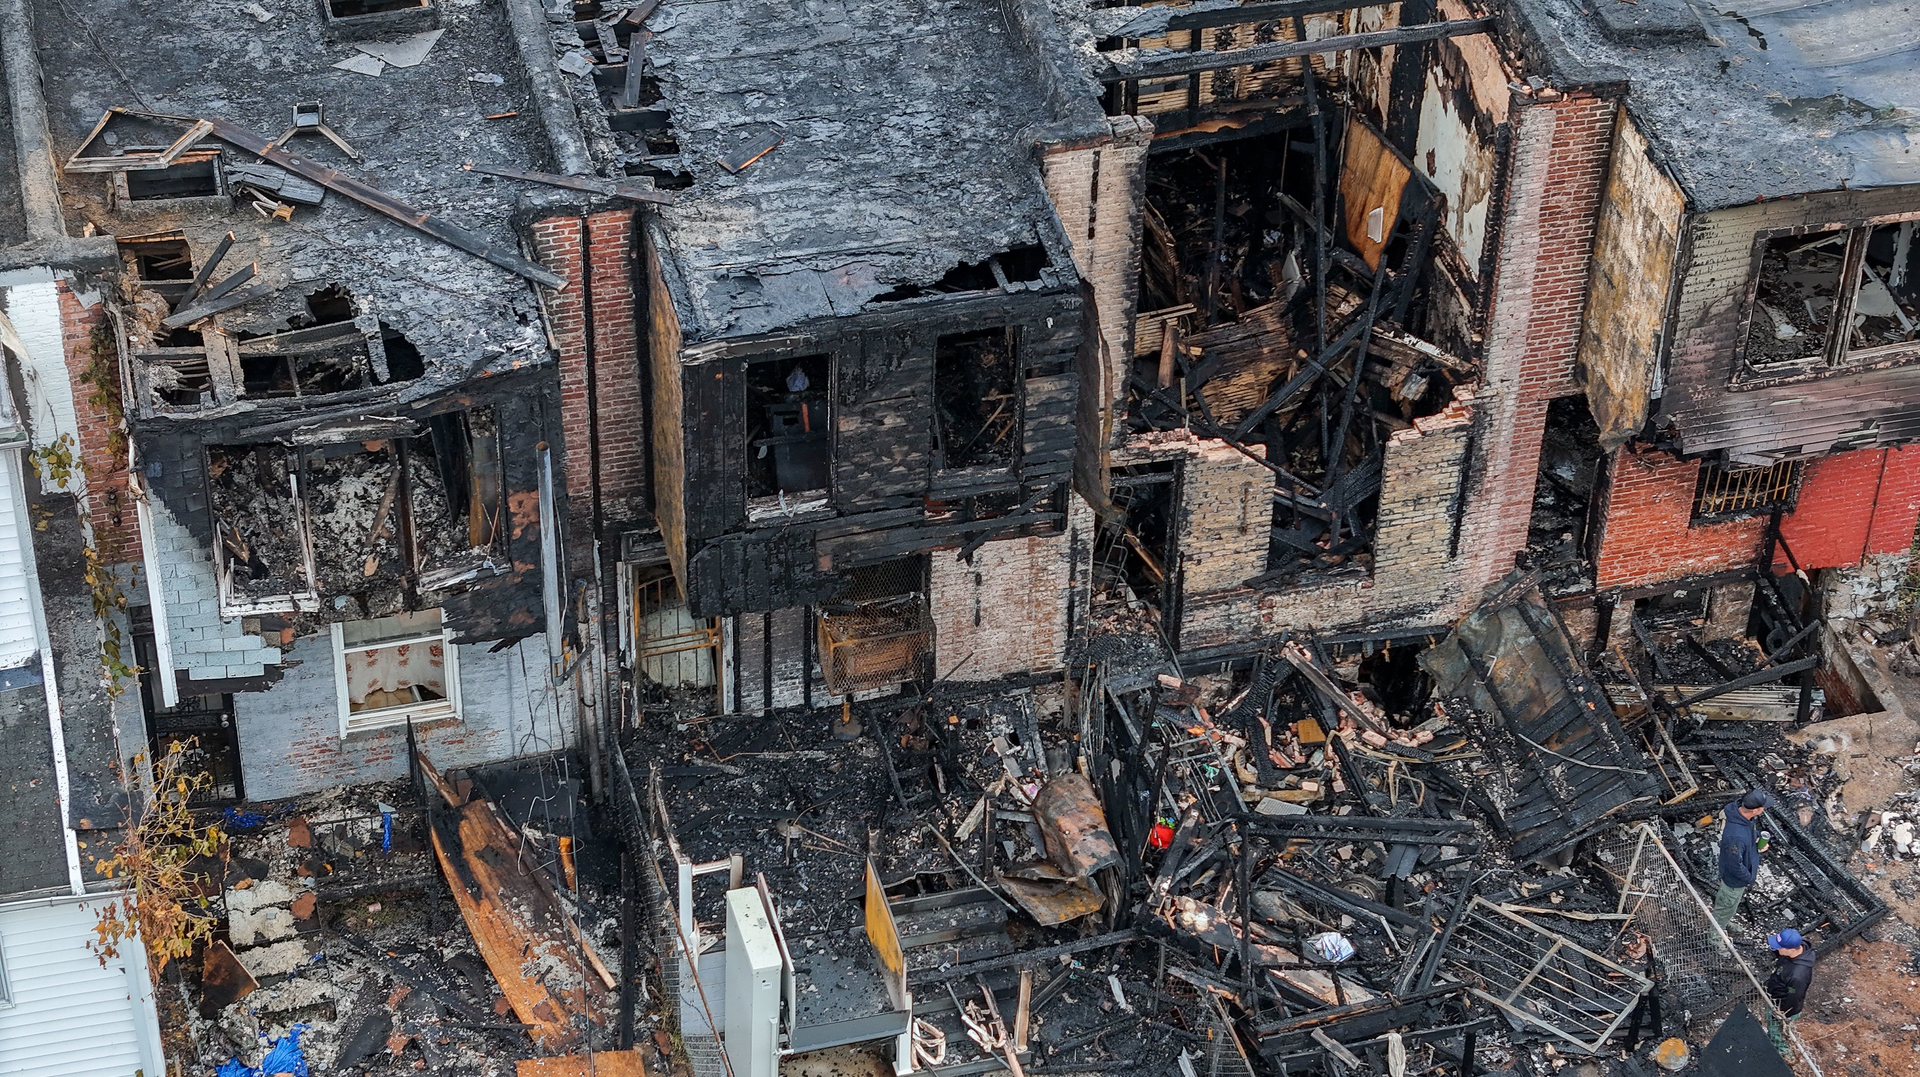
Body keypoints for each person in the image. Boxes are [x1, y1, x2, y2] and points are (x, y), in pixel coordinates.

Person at [1713, 789, 1769, 929]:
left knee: (1730, 906)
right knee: (1725, 906)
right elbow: (1734, 865)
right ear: (1755, 810)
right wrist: (1748, 877)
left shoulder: (1742, 817)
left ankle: (1724, 922)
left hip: (1739, 880)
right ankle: (1715, 937)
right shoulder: (1736, 837)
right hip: (1734, 882)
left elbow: (1747, 834)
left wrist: (1756, 837)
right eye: (1763, 807)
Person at [1763, 927, 1814, 1057]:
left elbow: (1793, 998)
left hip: (1782, 1007)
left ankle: (1783, 1053)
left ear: (1791, 950)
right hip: (1777, 997)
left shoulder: (1798, 976)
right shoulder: (1795, 951)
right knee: (1774, 1028)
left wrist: (1780, 1014)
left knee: (1776, 1030)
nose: (1775, 949)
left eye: (1779, 947)